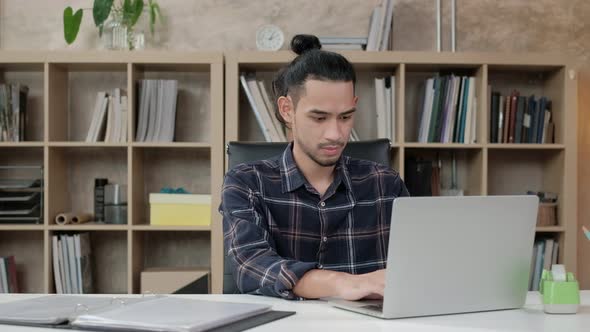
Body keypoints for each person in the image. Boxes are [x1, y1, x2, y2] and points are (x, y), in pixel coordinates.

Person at [219, 34, 409, 300]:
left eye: (345, 117)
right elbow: (252, 267)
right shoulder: (246, 182)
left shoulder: (385, 184)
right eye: (319, 117)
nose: (335, 133)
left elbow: (418, 266)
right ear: (287, 110)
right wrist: (342, 283)